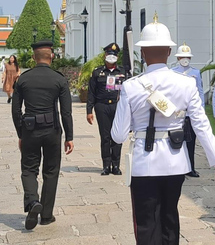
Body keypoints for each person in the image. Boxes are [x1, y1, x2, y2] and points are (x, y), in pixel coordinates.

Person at [111, 15, 215, 245]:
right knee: (169, 221)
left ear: (142, 53)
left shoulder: (131, 86)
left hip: (143, 164)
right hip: (176, 163)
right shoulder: (185, 83)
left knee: (146, 227)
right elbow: (202, 126)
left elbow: (116, 135)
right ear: (168, 52)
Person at [12, 40, 74, 230]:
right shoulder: (59, 79)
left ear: (33, 57)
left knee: (29, 169)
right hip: (52, 130)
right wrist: (69, 136)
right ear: (52, 56)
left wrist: (20, 133)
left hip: (30, 129)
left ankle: (32, 201)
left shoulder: (23, 79)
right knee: (51, 171)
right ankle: (46, 215)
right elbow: (66, 112)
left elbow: (15, 111)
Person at [87, 43, 129, 175]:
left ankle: (116, 165)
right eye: (109, 54)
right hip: (102, 106)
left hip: (118, 106)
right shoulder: (97, 72)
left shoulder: (123, 72)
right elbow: (91, 93)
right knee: (105, 137)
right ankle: (106, 165)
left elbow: (129, 92)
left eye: (114, 55)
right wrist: (89, 111)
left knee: (117, 136)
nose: (112, 57)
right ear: (105, 56)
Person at [172, 43, 204, 177]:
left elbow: (200, 91)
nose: (185, 59)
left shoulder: (195, 72)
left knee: (191, 141)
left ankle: (190, 167)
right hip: (177, 112)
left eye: (187, 57)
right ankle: (177, 168)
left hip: (191, 111)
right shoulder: (172, 71)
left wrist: (200, 108)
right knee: (176, 140)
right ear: (178, 57)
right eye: (183, 57)